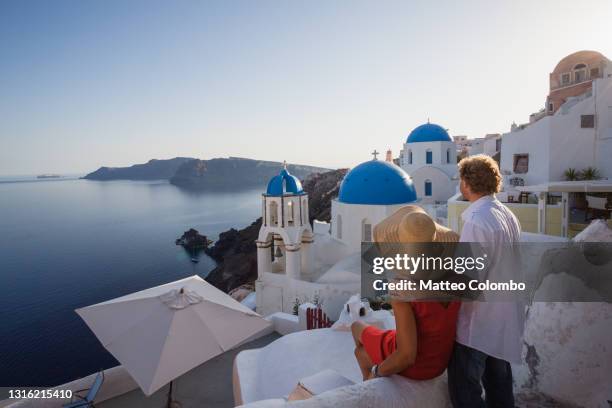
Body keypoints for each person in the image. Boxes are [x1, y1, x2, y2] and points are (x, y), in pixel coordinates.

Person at [351, 205, 461, 381]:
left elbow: (407, 355)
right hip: (441, 361)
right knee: (363, 334)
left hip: (419, 366)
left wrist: (377, 371)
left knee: (357, 334)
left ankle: (369, 383)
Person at [448, 154, 523, 408]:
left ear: (467, 183)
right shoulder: (506, 215)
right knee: (500, 390)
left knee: (465, 391)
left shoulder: (477, 220)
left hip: (478, 324)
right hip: (503, 320)